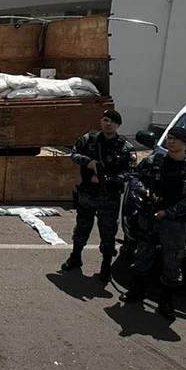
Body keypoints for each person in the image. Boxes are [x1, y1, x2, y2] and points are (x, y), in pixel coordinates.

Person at [120, 126, 186, 320]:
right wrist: (143, 191)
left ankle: (166, 302)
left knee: (172, 262)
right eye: (169, 138)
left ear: (185, 143)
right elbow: (135, 177)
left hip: (173, 224)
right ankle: (137, 290)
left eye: (175, 138)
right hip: (150, 218)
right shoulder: (155, 161)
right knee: (142, 255)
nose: (171, 141)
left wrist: (168, 212)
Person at [61, 109, 136, 283]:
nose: (108, 124)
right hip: (87, 193)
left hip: (109, 196)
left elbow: (131, 172)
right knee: (82, 227)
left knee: (108, 232)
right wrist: (89, 162)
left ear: (118, 126)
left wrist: (109, 179)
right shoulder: (89, 139)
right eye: (105, 120)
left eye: (112, 122)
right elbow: (74, 155)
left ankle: (106, 266)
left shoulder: (125, 147)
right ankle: (75, 257)